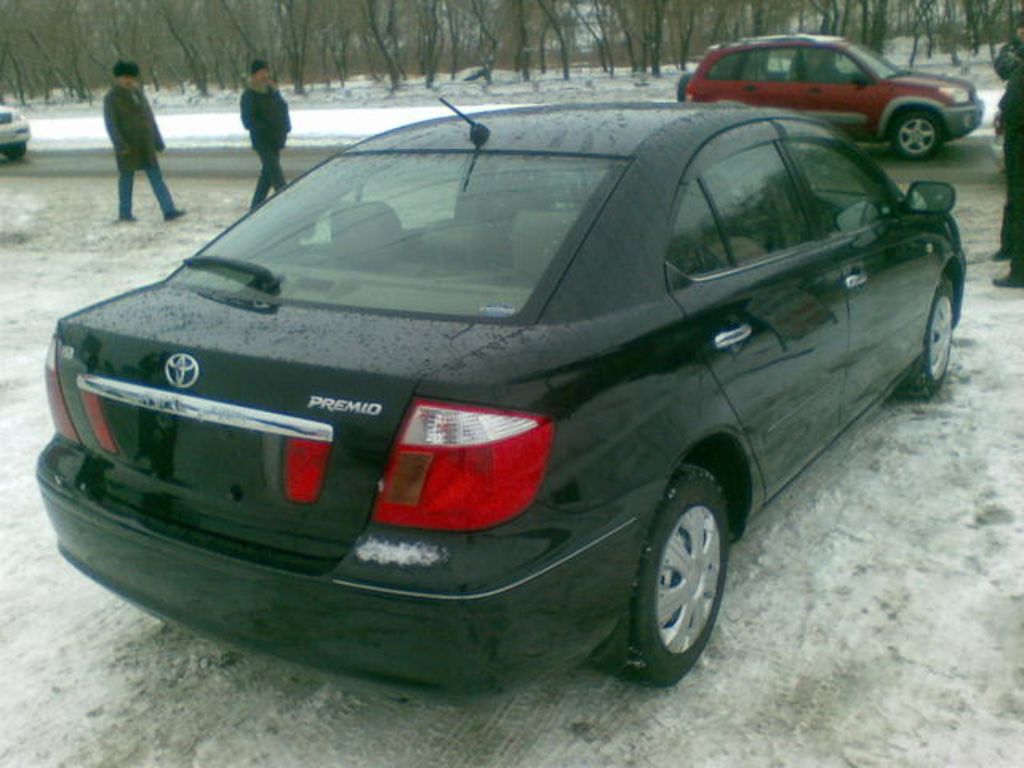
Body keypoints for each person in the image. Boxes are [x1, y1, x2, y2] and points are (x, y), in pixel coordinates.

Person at [103, 60, 185, 223]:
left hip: (146, 144)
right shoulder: (112, 97)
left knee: (156, 177)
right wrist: (120, 144)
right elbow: (111, 124)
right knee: (126, 180)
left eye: (131, 77)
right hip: (127, 145)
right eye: (125, 77)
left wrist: (158, 140)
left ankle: (168, 210)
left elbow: (149, 119)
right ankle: (125, 214)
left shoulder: (139, 94)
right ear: (118, 78)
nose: (128, 81)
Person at [993, 14, 1024, 287]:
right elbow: (1002, 68)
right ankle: (1010, 247)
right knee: (1014, 197)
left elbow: (1015, 102)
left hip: (1021, 140)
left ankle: (1020, 270)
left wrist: (1007, 112)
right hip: (1015, 140)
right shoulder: (1014, 51)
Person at [240, 59, 291, 210]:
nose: (264, 75)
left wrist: (286, 127)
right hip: (262, 141)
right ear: (254, 75)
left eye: (266, 72)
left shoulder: (273, 91)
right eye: (261, 72)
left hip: (276, 139)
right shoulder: (249, 94)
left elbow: (283, 108)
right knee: (277, 178)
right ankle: (289, 207)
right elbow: (247, 120)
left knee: (266, 177)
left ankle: (255, 209)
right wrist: (265, 129)